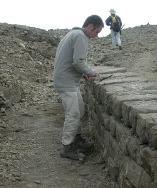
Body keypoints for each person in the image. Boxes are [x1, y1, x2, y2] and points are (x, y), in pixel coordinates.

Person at [53, 15, 104, 161]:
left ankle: (77, 138)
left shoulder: (72, 33)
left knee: (79, 111)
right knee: (73, 114)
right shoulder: (81, 36)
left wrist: (82, 74)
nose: (96, 36)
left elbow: (68, 59)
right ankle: (67, 147)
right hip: (67, 83)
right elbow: (78, 61)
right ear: (90, 26)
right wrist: (90, 72)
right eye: (97, 32)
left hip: (68, 81)